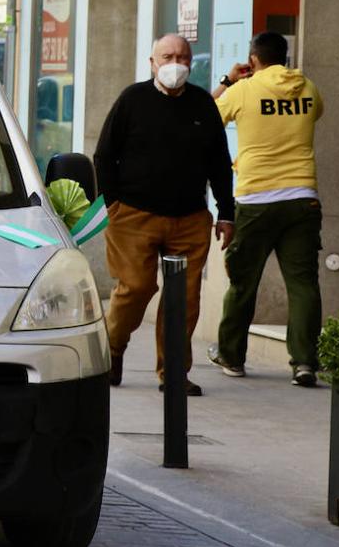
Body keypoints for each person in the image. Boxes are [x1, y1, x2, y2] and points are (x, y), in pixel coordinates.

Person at [93, 34, 235, 396]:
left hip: (189, 218)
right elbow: (104, 155)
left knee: (185, 300)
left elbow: (220, 163)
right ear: (152, 62)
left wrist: (226, 212)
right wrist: (111, 204)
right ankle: (111, 351)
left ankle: (172, 372)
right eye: (168, 56)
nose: (177, 63)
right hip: (133, 216)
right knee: (136, 288)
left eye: (184, 57)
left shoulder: (203, 104)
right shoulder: (132, 100)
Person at [208, 32, 325, 388]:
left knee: (243, 281)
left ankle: (231, 356)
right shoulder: (307, 89)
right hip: (302, 198)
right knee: (303, 283)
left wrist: (228, 81)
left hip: (256, 198)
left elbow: (205, 117)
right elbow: (316, 114)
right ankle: (304, 362)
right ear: (285, 57)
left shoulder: (244, 90)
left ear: (253, 59)